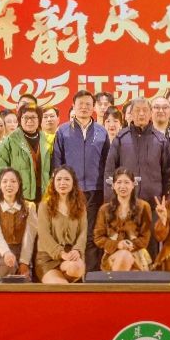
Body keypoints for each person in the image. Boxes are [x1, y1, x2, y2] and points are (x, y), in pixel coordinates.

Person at [51, 91, 108, 247]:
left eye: (88, 104)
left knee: (91, 233)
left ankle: (90, 263)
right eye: (80, 104)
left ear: (93, 107)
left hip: (95, 190)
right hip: (70, 190)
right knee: (70, 232)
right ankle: (71, 263)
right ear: (73, 106)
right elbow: (57, 162)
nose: (84, 107)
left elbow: (107, 162)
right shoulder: (62, 131)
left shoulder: (101, 131)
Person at [105, 99, 170, 205]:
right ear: (131, 114)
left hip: (154, 204)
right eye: (137, 110)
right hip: (125, 203)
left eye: (145, 110)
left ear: (150, 113)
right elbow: (110, 171)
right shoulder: (120, 138)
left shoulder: (161, 140)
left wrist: (167, 200)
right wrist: (111, 201)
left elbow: (169, 173)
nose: (141, 113)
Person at [93, 168, 154, 272]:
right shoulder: (104, 209)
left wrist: (131, 245)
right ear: (113, 185)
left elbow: (145, 237)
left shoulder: (144, 207)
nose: (122, 186)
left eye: (126, 182)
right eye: (119, 182)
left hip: (137, 255)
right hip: (113, 255)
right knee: (124, 257)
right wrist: (118, 245)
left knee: (133, 272)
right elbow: (98, 238)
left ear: (133, 185)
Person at [0, 169, 37, 280]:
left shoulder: (29, 207)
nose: (9, 185)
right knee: (7, 266)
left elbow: (29, 236)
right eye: (5, 181)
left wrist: (24, 262)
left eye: (13, 181)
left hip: (22, 251)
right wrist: (6, 252)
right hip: (1, 251)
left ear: (19, 184)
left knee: (25, 279)